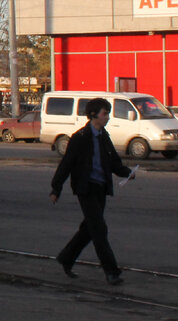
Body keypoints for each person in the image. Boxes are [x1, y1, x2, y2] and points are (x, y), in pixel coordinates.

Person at [50, 97, 135, 285]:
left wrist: (127, 173)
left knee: (89, 228)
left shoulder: (104, 136)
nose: (108, 117)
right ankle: (111, 272)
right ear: (93, 115)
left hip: (101, 188)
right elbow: (66, 164)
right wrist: (56, 188)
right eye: (105, 114)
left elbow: (113, 162)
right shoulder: (80, 137)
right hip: (85, 189)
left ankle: (66, 257)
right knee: (99, 229)